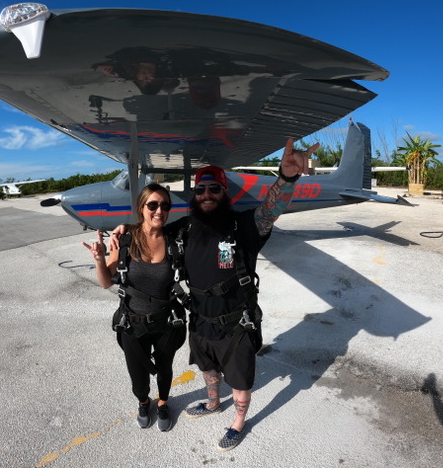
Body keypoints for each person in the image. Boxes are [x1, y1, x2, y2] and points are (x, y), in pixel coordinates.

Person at [111, 138, 318, 450]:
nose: (206, 195)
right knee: (207, 370)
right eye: (200, 190)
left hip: (237, 324)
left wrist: (287, 178)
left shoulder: (243, 226)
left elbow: (271, 209)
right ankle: (212, 404)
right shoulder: (186, 228)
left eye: (214, 189)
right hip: (200, 322)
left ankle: (238, 422)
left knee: (240, 382)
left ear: (225, 192)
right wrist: (125, 230)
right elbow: (151, 225)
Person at [82, 183, 187, 432]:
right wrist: (99, 259)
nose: (159, 210)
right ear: (141, 208)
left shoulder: (174, 242)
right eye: (152, 205)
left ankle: (162, 402)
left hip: (166, 322)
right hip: (131, 322)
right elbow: (107, 281)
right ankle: (143, 401)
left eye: (164, 205)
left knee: (165, 369)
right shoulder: (125, 241)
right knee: (137, 376)